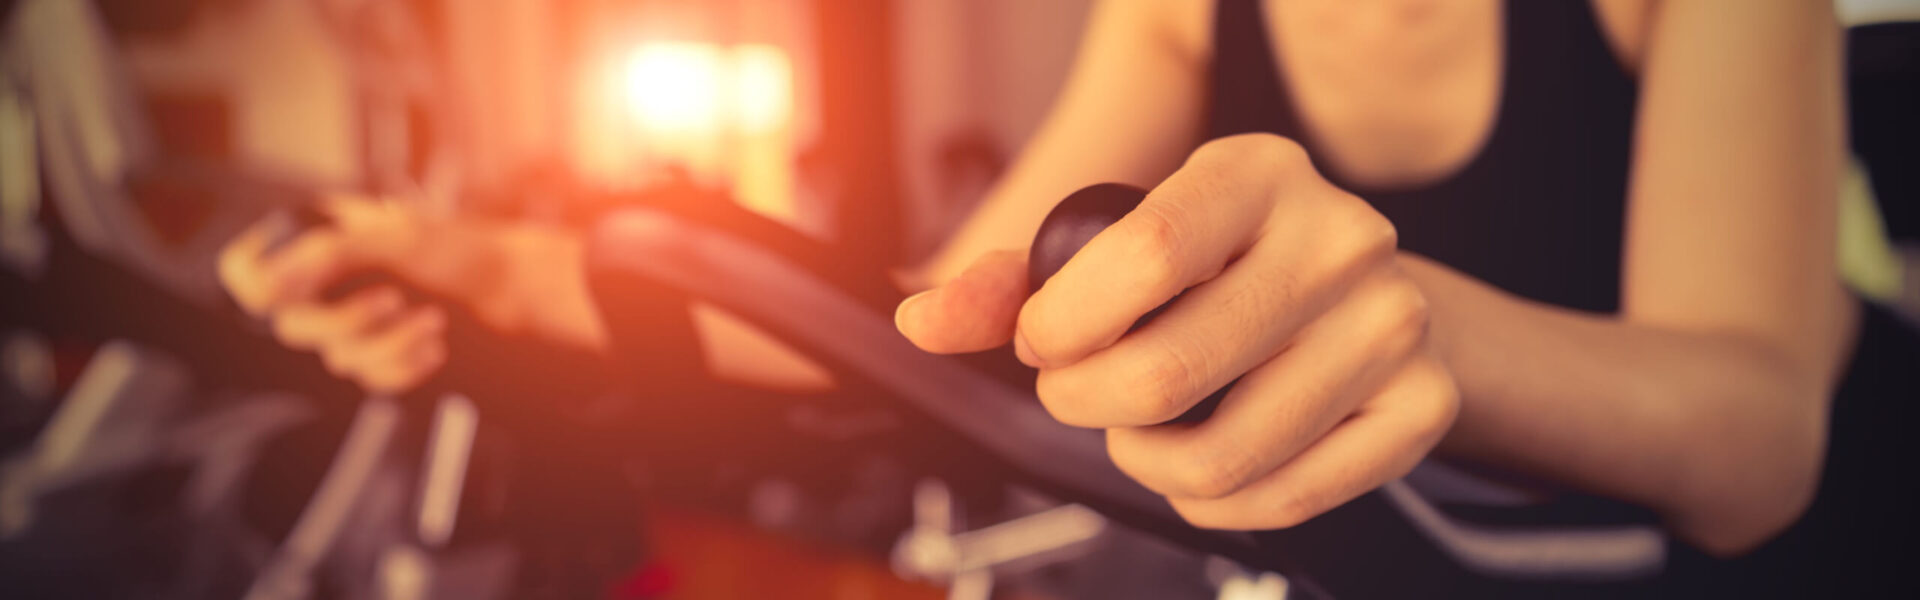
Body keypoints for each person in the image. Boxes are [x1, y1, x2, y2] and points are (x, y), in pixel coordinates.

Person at [220, 0, 1889, 589]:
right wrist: (491, 273)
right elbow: (939, 315)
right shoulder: (1176, 5)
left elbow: (1752, 439)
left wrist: (1410, 318)